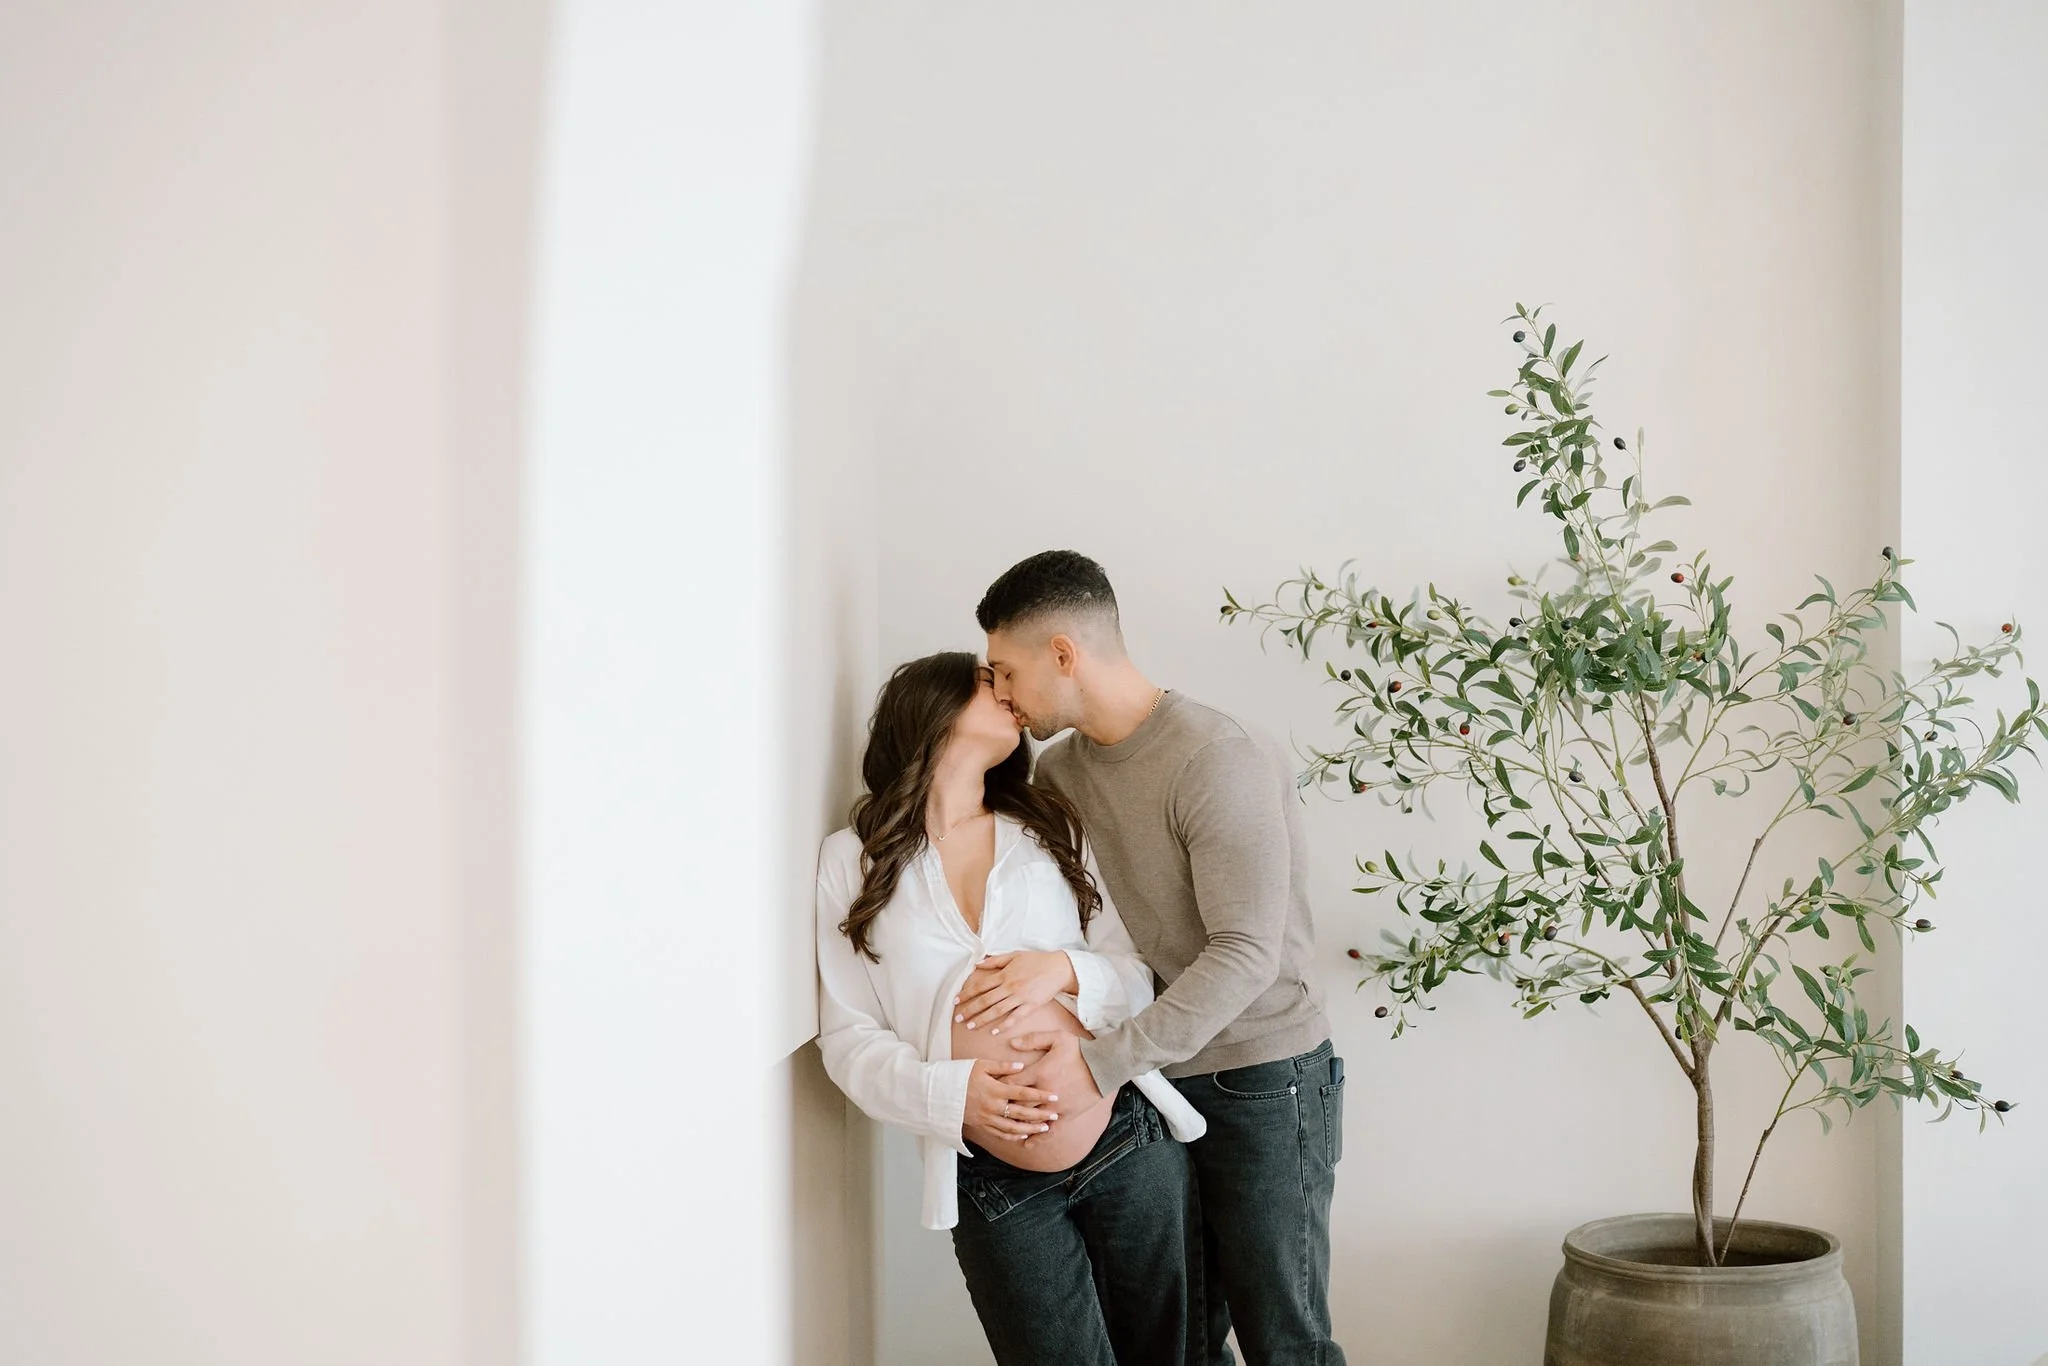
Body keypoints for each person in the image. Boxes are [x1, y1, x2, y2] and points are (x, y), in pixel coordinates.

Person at [980, 551, 1347, 1366]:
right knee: (1181, 1344)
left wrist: (1099, 1063)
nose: (1002, 692)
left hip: (1261, 1078)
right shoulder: (1061, 771)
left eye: (1007, 670)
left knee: (1284, 1341)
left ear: (1063, 654)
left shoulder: (1215, 756)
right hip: (1153, 1088)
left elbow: (1245, 953)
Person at [813, 650, 1209, 1366]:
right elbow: (847, 1036)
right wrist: (953, 1093)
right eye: (986, 681)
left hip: (1124, 1136)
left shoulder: (1052, 825)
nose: (1008, 692)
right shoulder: (853, 859)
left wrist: (1062, 968)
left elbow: (1137, 976)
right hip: (990, 1176)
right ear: (930, 706)